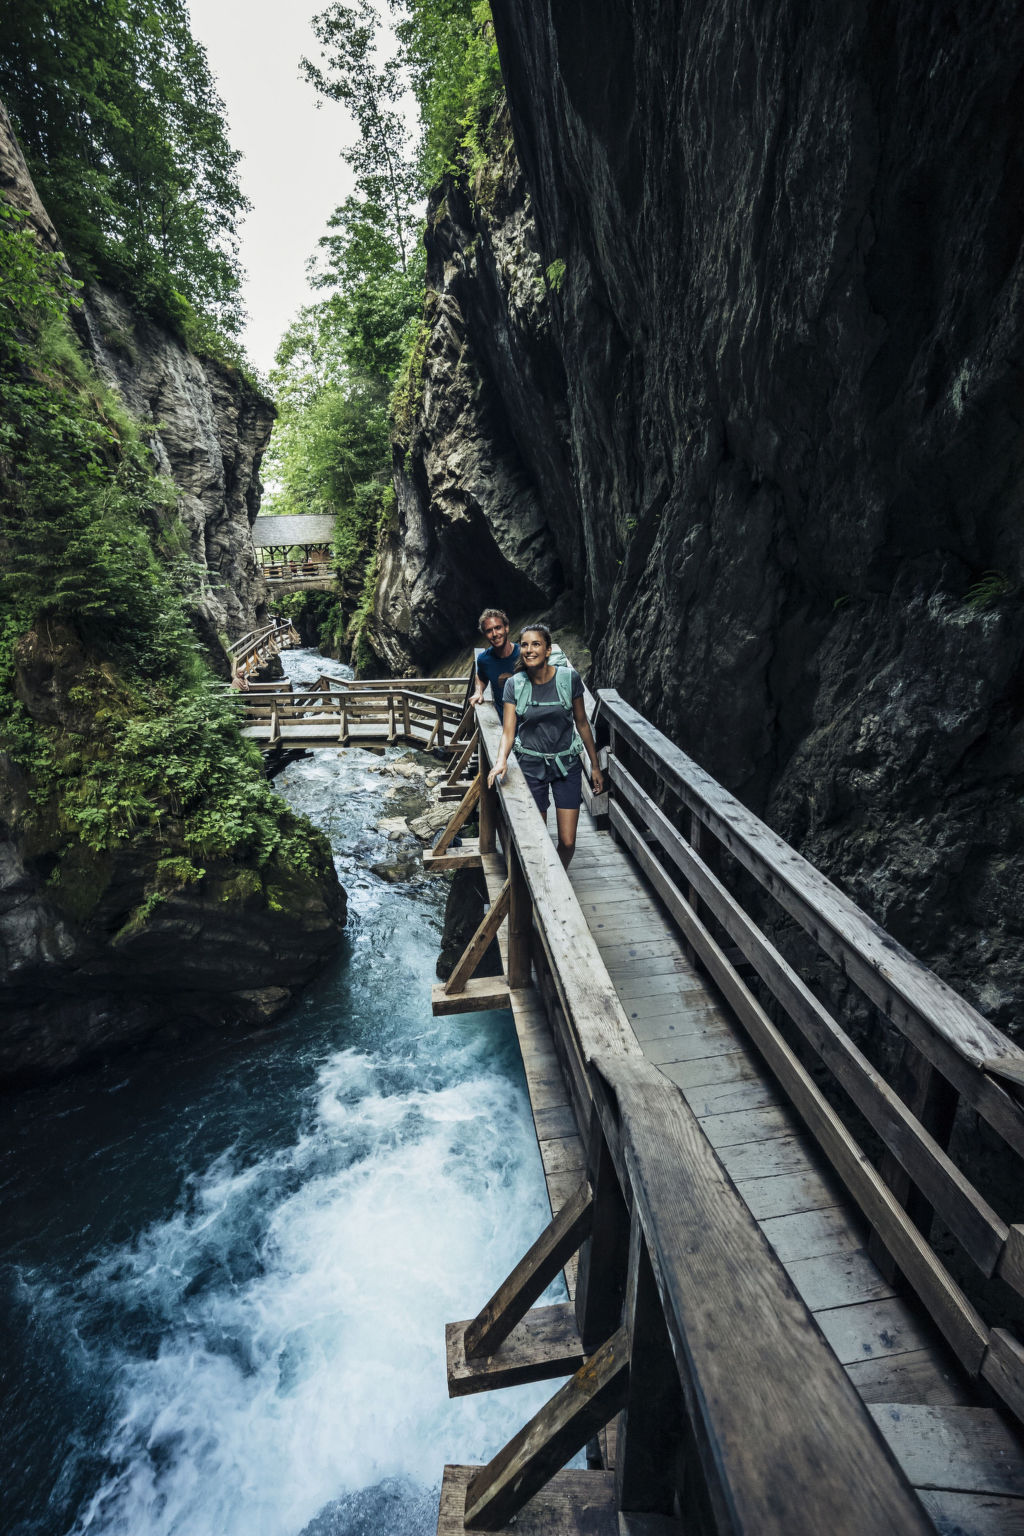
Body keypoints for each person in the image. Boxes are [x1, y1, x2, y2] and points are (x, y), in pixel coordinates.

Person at [487, 624, 604, 868]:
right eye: (525, 645)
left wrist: (594, 766)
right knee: (539, 839)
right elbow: (509, 732)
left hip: (566, 765)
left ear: (548, 650)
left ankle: (557, 876)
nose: (529, 650)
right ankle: (546, 888)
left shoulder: (568, 679)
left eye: (536, 644)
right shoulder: (515, 685)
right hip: (530, 765)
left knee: (568, 842)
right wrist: (500, 762)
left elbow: (582, 723)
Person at [470, 608, 520, 710]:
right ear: (485, 635)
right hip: (504, 721)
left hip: (529, 720)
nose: (494, 634)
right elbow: (480, 677)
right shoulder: (484, 660)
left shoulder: (524, 654)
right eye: (489, 631)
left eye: (498, 627)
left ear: (506, 628)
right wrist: (478, 691)